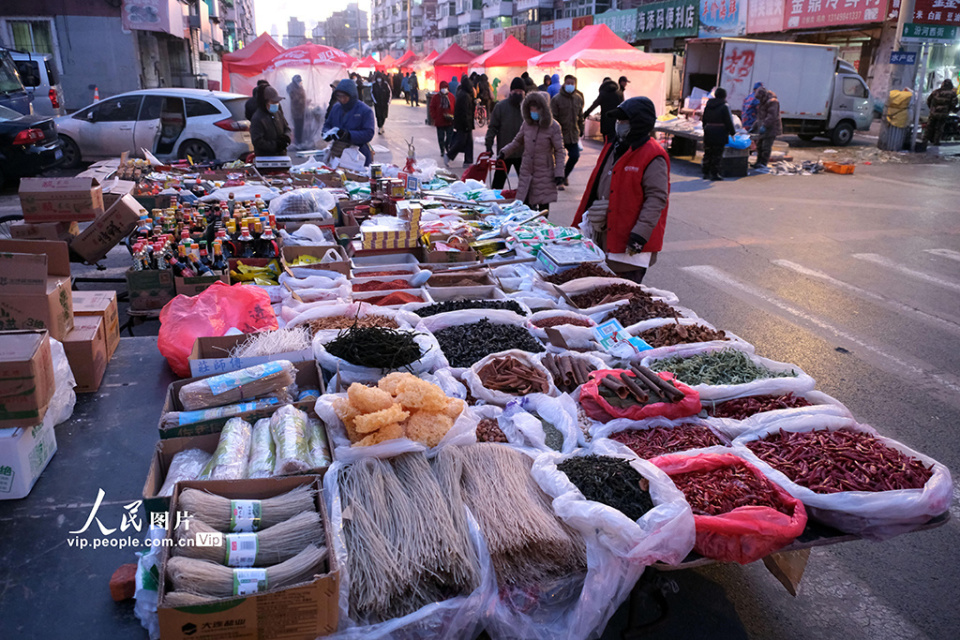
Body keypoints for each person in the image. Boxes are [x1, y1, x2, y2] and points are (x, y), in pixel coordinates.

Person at [572, 97, 669, 284]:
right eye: (619, 121)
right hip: (606, 234)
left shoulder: (652, 155)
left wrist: (639, 235)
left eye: (625, 121)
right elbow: (595, 184)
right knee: (601, 289)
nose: (620, 125)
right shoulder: (614, 146)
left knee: (622, 295)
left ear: (639, 122)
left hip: (630, 242)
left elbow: (656, 199)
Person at [499, 91, 566, 211]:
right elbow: (517, 141)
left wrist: (559, 172)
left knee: (543, 207)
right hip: (526, 169)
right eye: (531, 109)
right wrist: (504, 152)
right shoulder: (527, 124)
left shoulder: (553, 127)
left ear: (543, 109)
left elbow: (559, 150)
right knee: (525, 206)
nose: (533, 112)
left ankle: (543, 228)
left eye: (536, 110)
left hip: (544, 172)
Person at [322, 78, 376, 166]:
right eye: (339, 96)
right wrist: (326, 133)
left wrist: (348, 135)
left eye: (345, 97)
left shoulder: (365, 111)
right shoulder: (336, 108)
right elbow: (328, 124)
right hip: (337, 151)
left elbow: (368, 133)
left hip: (358, 154)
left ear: (352, 96)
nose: (342, 99)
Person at [486, 78, 526, 189]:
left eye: (520, 92)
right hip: (505, 152)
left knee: (526, 185)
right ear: (511, 91)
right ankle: (493, 202)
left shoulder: (526, 108)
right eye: (515, 91)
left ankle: (528, 205)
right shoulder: (501, 107)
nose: (518, 94)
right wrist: (488, 145)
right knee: (497, 184)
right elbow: (493, 127)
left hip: (522, 153)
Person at [550, 74, 585, 187]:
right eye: (568, 83)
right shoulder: (557, 99)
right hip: (560, 134)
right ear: (564, 84)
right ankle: (560, 181)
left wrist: (581, 129)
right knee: (559, 159)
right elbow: (553, 118)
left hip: (573, 134)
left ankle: (564, 175)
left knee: (575, 156)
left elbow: (580, 115)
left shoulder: (578, 98)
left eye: (572, 83)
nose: (570, 85)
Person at [701, 87, 736, 181]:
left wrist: (705, 129)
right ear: (724, 96)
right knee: (717, 154)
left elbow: (704, 119)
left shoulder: (708, 105)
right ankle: (714, 174)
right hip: (720, 132)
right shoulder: (725, 106)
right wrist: (732, 132)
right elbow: (728, 121)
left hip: (709, 131)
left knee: (708, 153)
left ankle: (705, 172)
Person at [250, 86, 291, 156]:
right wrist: (276, 145)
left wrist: (286, 138)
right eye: (274, 101)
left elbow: (287, 128)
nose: (276, 103)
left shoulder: (278, 113)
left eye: (277, 101)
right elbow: (258, 141)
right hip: (266, 158)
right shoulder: (257, 118)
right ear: (265, 102)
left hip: (281, 155)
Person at [445, 75, 476, 167]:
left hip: (465, 122)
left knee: (468, 142)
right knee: (461, 142)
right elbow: (464, 112)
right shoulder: (465, 96)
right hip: (464, 123)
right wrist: (466, 124)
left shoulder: (464, 94)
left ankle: (468, 161)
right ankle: (449, 155)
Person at [584, 77, 622, 143]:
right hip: (616, 121)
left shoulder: (603, 94)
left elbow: (594, 104)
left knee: (607, 143)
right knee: (615, 142)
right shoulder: (619, 93)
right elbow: (622, 106)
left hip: (606, 121)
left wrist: (585, 114)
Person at [754, 87, 782, 169]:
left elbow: (771, 116)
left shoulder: (773, 102)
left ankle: (763, 163)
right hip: (764, 127)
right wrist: (755, 126)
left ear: (763, 96)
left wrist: (764, 125)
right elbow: (760, 117)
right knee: (759, 146)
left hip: (771, 128)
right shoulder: (763, 102)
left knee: (766, 146)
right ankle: (758, 162)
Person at [924, 79, 959, 145]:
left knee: (929, 127)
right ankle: (936, 141)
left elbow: (928, 100)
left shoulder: (936, 92)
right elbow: (954, 104)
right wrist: (954, 110)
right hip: (943, 113)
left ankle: (925, 141)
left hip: (933, 112)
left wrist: (932, 108)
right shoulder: (952, 94)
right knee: (939, 128)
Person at [430, 80, 456, 156]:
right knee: (440, 137)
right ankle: (442, 150)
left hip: (449, 121)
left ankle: (447, 147)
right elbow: (432, 108)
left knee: (449, 137)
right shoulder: (436, 97)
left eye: (446, 87)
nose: (444, 89)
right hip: (440, 121)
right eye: (443, 87)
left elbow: (455, 106)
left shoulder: (451, 97)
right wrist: (435, 117)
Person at [286, 75, 306, 146]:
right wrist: (301, 100)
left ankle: (300, 141)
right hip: (296, 110)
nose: (300, 82)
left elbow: (303, 96)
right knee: (297, 126)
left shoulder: (300, 87)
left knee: (301, 126)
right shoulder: (291, 87)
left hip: (302, 110)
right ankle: (298, 141)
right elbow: (294, 99)